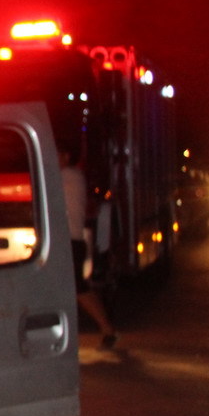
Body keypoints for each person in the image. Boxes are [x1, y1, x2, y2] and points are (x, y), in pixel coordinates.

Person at [61, 149, 118, 349]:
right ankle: (106, 330)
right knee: (77, 289)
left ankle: (107, 329)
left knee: (79, 289)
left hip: (70, 242)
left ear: (67, 156)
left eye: (55, 153)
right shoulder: (72, 176)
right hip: (69, 242)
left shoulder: (69, 175)